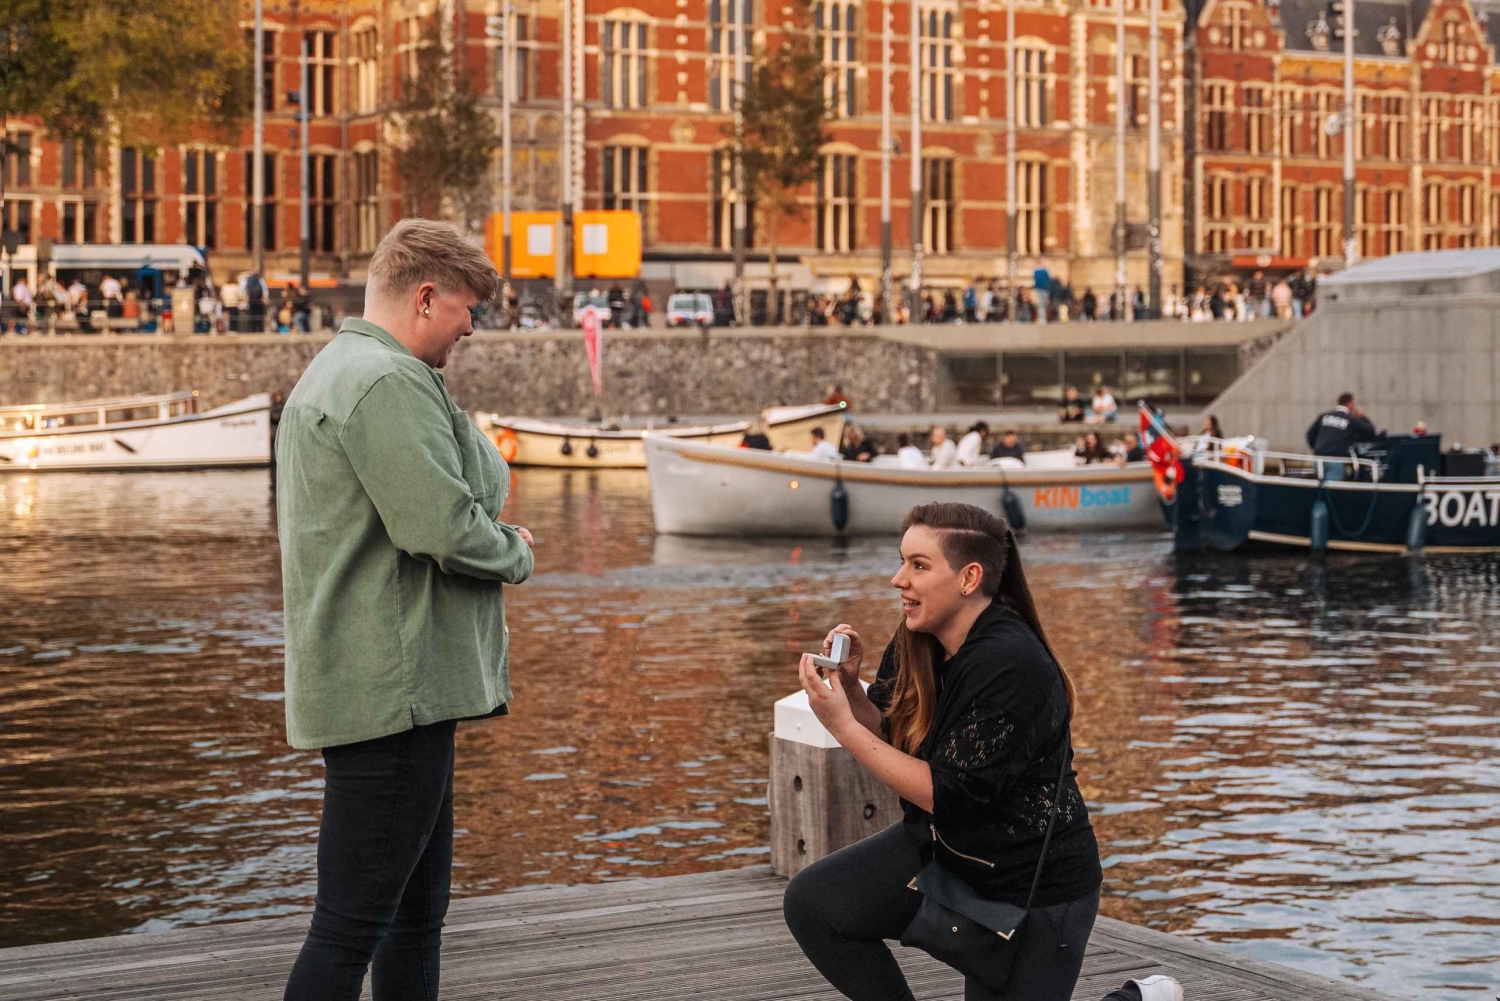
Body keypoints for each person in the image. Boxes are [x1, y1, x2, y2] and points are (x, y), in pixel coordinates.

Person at [277, 218, 535, 1001]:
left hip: (384, 685)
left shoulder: (351, 369)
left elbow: (488, 479)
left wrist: (443, 399)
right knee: (352, 925)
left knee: (412, 917)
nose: (469, 329)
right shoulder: (387, 384)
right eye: (465, 310)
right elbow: (449, 524)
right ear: (426, 296)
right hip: (398, 692)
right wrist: (516, 552)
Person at [782, 503, 1110, 1001]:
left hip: (1031, 887)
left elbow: (948, 792)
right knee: (816, 903)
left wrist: (842, 727)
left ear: (969, 577)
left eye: (918, 565)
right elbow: (893, 734)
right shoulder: (919, 636)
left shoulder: (1010, 661)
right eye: (901, 561)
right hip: (948, 851)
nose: (898, 580)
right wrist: (850, 691)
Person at [1306, 392, 1377, 480]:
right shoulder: (1350, 420)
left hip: (1318, 458)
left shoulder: (1324, 416)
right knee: (1332, 490)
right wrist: (1363, 416)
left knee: (1319, 490)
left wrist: (1317, 448)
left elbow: (1310, 434)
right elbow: (1371, 431)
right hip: (1335, 459)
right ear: (1350, 403)